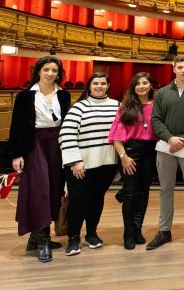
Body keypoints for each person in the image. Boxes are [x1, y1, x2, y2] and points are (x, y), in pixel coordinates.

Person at [9, 56, 71, 263]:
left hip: (57, 144)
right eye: (46, 70)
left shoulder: (64, 95)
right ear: (38, 71)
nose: (51, 74)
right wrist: (16, 154)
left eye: (55, 70)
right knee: (40, 188)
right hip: (34, 144)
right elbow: (16, 127)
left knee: (54, 188)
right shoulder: (25, 96)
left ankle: (36, 237)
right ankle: (43, 239)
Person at [147, 55, 184, 250]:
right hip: (166, 146)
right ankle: (164, 230)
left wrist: (182, 138)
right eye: (179, 67)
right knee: (165, 189)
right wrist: (170, 138)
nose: (183, 70)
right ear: (173, 69)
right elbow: (156, 119)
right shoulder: (163, 93)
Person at [59, 72, 119, 256]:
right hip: (82, 165)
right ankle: (73, 238)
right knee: (78, 201)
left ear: (108, 85)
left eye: (103, 83)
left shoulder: (117, 106)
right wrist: (75, 161)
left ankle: (91, 234)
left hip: (107, 163)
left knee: (96, 200)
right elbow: (66, 135)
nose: (99, 86)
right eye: (95, 83)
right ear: (89, 86)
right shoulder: (79, 107)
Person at [108, 72, 157, 250]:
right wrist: (124, 157)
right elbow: (116, 136)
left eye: (145, 83)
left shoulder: (157, 105)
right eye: (138, 83)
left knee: (144, 192)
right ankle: (128, 232)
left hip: (150, 151)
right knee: (130, 193)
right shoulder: (126, 106)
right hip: (130, 151)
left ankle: (137, 229)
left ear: (151, 85)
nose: (141, 86)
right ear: (133, 87)